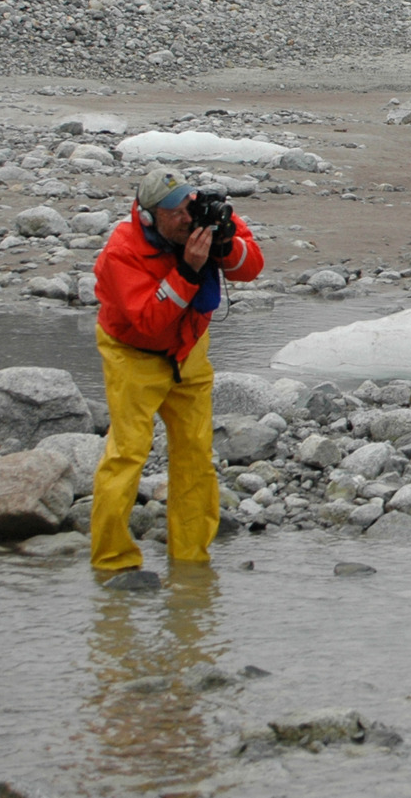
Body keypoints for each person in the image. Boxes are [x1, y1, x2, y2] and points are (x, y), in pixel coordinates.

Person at [89, 167, 262, 572]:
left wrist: (223, 246)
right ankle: (112, 563)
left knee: (196, 456)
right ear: (150, 217)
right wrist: (186, 270)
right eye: (176, 213)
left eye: (188, 205)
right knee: (127, 455)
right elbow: (148, 321)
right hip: (133, 353)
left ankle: (190, 562)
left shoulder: (208, 215)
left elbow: (251, 266)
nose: (188, 217)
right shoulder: (122, 252)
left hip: (189, 351)